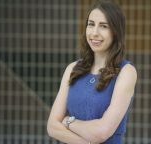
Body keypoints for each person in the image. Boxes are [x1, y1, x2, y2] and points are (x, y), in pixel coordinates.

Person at [47, 0, 137, 143]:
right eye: (91, 24)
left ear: (115, 31)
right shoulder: (72, 69)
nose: (94, 33)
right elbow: (52, 126)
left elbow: (102, 132)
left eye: (103, 26)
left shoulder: (126, 72)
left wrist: (68, 121)